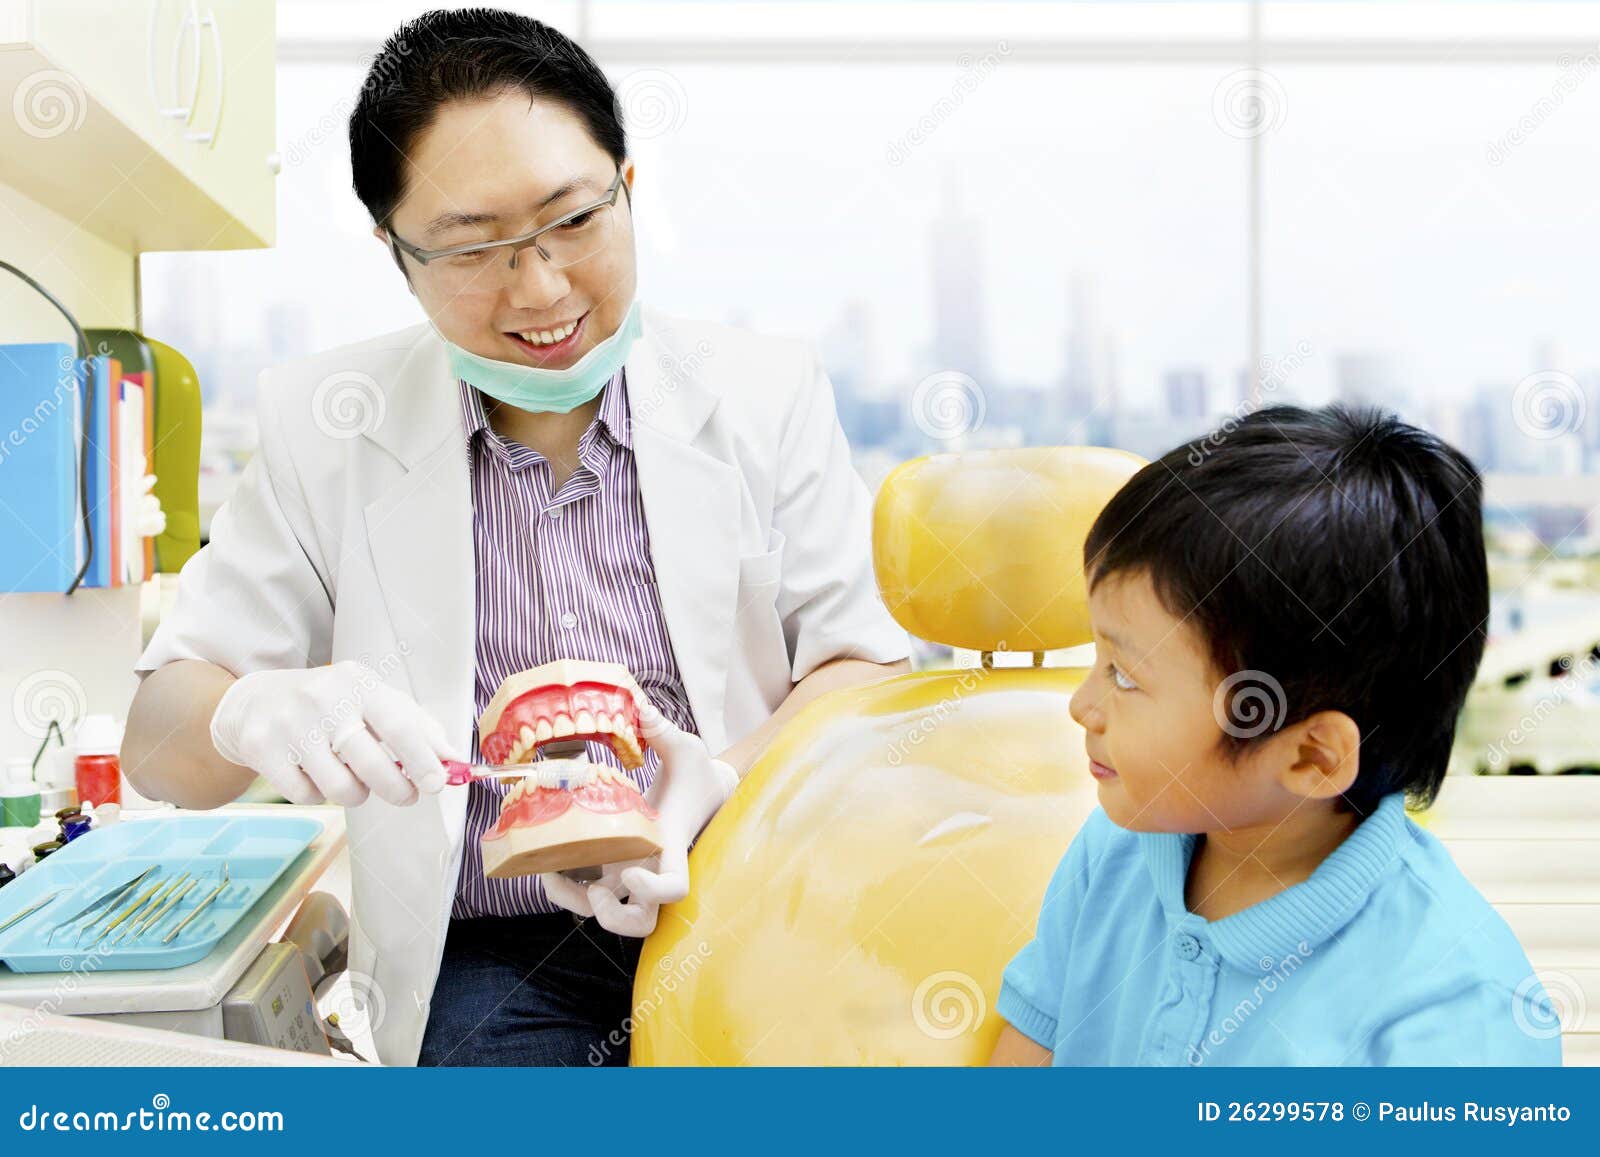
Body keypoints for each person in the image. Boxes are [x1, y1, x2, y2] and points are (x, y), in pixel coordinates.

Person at [122, 8, 910, 1067]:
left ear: (627, 185)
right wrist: (247, 711)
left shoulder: (764, 392)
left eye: (573, 221)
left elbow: (860, 666)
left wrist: (714, 783)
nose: (539, 290)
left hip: (749, 889)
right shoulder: (328, 423)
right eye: (471, 246)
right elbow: (158, 751)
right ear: (395, 252)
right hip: (495, 954)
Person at [989, 405, 1561, 1066]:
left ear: (1312, 757)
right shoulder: (1113, 851)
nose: (1080, 705)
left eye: (1124, 675)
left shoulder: (1455, 1014)